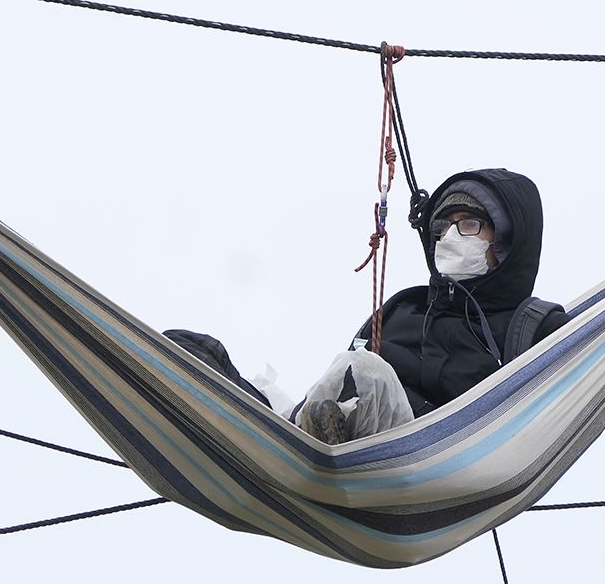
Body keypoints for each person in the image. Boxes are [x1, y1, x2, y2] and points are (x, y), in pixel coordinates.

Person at [167, 168, 568, 445]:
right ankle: (261, 434)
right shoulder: (404, 310)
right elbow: (336, 385)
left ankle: (292, 448)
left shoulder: (532, 326)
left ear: (506, 241)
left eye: (468, 225)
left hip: (427, 455)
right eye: (442, 227)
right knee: (189, 352)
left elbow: (579, 371)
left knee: (365, 372)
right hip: (327, 436)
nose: (448, 238)